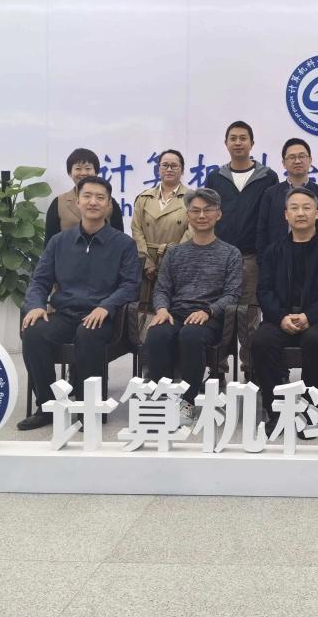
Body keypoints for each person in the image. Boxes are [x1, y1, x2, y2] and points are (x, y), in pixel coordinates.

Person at [17, 176, 140, 430]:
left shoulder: (124, 244)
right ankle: (48, 406)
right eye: (87, 196)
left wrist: (106, 306)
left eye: (100, 197)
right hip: (65, 313)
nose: (93, 202)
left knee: (88, 333)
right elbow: (40, 280)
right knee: (34, 332)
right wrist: (37, 305)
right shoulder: (59, 242)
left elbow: (130, 285)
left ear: (109, 205)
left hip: (103, 316)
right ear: (78, 202)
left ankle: (91, 409)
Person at [251, 186, 318, 431]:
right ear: (286, 215)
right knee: (261, 340)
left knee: (317, 341)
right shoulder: (273, 250)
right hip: (279, 318)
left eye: (306, 207)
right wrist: (281, 317)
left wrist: (309, 316)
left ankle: (307, 412)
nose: (301, 213)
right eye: (294, 208)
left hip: (316, 319)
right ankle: (276, 411)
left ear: (317, 214)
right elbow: (264, 290)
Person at [144, 188, 243, 425]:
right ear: (187, 215)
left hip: (210, 318)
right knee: (157, 333)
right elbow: (162, 289)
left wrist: (208, 311)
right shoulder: (175, 252)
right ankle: (161, 399)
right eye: (195, 211)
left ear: (218, 214)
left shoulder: (231, 253)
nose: (202, 216)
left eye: (208, 210)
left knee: (191, 335)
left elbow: (232, 294)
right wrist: (162, 309)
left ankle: (187, 402)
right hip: (176, 313)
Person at [205, 121, 279, 305]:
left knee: (250, 311)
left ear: (252, 143)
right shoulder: (215, 178)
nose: (238, 143)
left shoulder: (268, 177)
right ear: (226, 143)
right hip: (219, 257)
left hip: (252, 258)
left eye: (243, 138)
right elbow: (206, 216)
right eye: (233, 138)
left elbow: (272, 220)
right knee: (218, 310)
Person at [130, 149, 191, 309]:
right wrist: (147, 262)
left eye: (174, 166)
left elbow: (191, 232)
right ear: (158, 169)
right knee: (144, 311)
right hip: (147, 264)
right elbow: (136, 230)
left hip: (177, 263)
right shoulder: (144, 198)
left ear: (182, 170)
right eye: (165, 165)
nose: (169, 169)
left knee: (173, 309)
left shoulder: (192, 198)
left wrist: (171, 260)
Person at [256, 137, 318, 257]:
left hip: (315, 260)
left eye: (302, 156)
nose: (297, 161)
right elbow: (262, 232)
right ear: (284, 163)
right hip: (279, 259)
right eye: (292, 157)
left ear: (310, 160)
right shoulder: (270, 194)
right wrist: (264, 261)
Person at [44, 148, 124, 245]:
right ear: (70, 173)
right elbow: (49, 242)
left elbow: (120, 238)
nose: (83, 173)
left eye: (88, 168)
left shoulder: (110, 202)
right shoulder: (59, 202)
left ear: (96, 172)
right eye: (78, 168)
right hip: (67, 254)